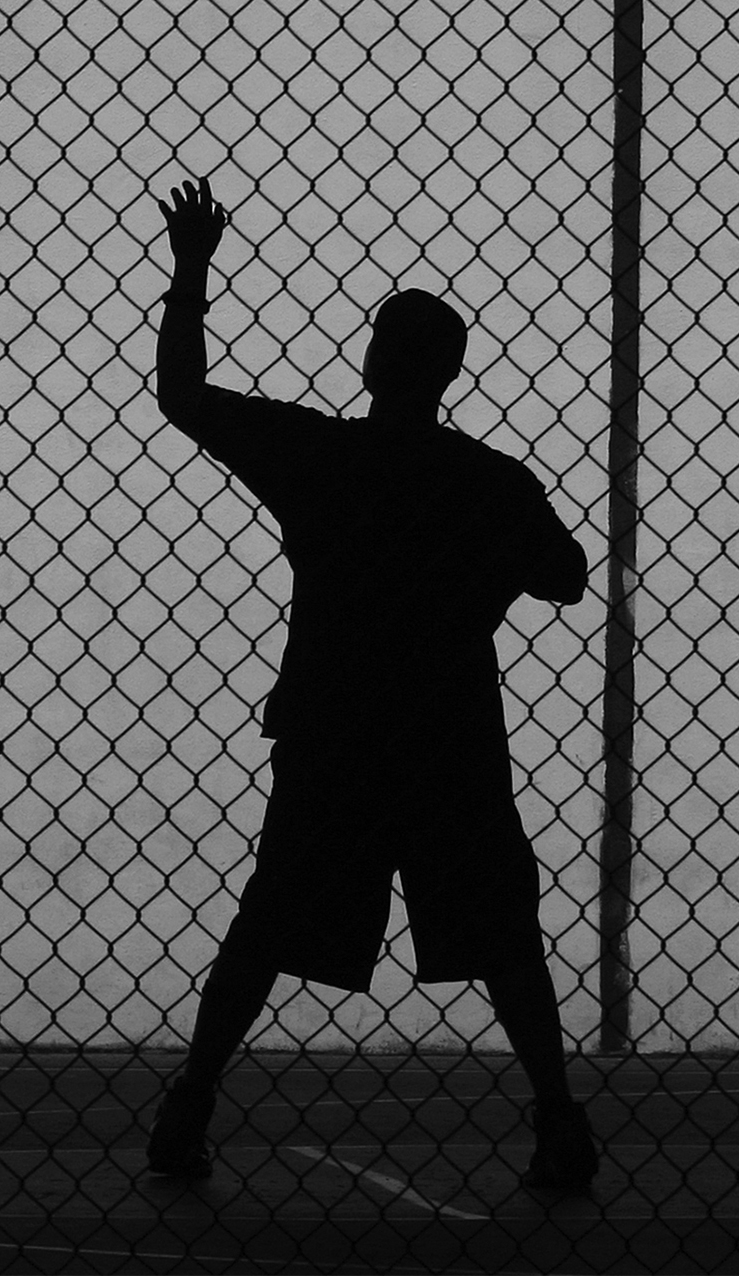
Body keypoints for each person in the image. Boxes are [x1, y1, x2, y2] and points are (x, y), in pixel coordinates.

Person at [142, 178, 597, 1192]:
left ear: (372, 362)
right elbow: (563, 576)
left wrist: (190, 273)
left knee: (266, 925)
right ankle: (558, 1117)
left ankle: (189, 1102)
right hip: (447, 738)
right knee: (503, 934)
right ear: (450, 374)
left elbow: (181, 396)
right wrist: (480, 565)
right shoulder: (487, 481)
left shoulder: (321, 456)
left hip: (337, 732)